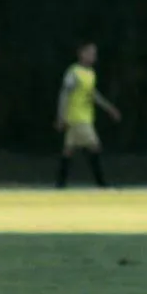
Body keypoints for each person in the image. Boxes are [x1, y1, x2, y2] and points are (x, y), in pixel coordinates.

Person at [55, 42, 121, 188]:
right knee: (95, 146)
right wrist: (61, 116)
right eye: (90, 53)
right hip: (78, 118)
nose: (93, 56)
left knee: (68, 151)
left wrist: (109, 108)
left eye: (94, 53)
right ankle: (101, 184)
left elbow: (93, 95)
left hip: (83, 117)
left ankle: (60, 185)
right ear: (81, 53)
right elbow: (64, 94)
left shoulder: (90, 73)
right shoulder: (74, 72)